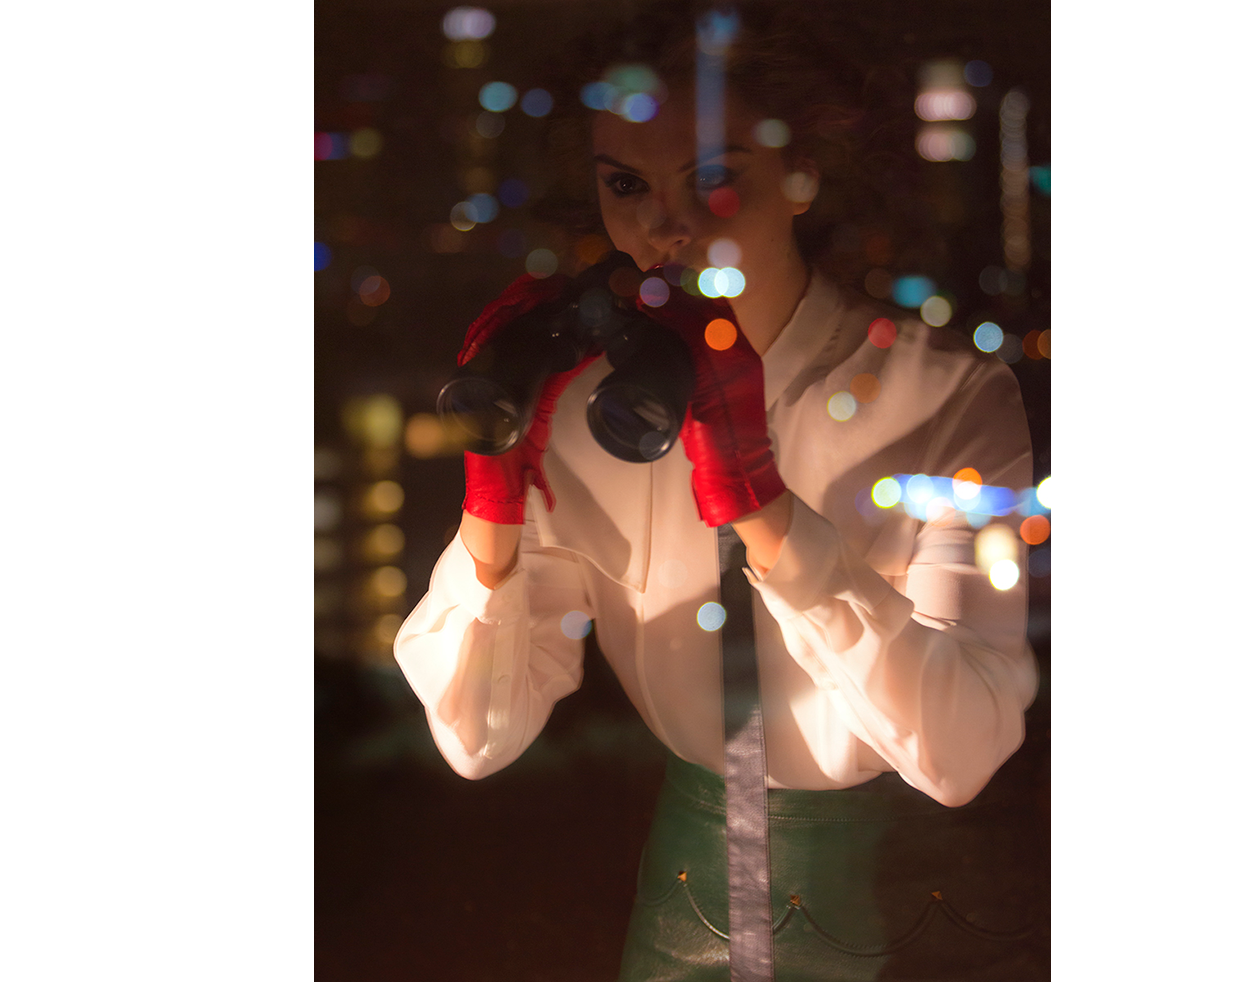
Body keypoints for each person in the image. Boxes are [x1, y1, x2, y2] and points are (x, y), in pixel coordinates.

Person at [396, 4, 1044, 978]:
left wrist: (766, 512)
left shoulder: (945, 393)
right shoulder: (579, 412)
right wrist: (490, 510)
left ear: (802, 171)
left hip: (905, 899)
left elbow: (963, 751)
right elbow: (479, 739)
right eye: (626, 184)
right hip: (687, 893)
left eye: (712, 177)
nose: (666, 225)